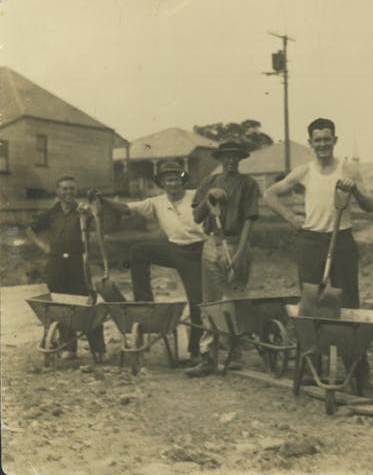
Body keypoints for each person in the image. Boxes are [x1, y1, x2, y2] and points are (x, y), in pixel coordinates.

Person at [263, 118, 373, 386]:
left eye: (327, 139)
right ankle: (312, 367)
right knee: (311, 303)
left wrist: (355, 191)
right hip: (311, 241)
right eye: (318, 140)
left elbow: (370, 205)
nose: (323, 144)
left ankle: (358, 371)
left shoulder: (349, 169)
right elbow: (269, 194)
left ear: (335, 140)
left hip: (343, 240)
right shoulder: (304, 171)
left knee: (348, 305)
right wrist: (292, 218)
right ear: (311, 143)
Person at [93, 161, 205, 364]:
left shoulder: (196, 195)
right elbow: (125, 208)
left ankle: (195, 351)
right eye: (168, 180)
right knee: (139, 251)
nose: (172, 184)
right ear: (162, 183)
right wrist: (101, 199)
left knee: (197, 300)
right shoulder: (157, 202)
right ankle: (144, 301)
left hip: (198, 252)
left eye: (176, 179)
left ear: (182, 181)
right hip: (175, 249)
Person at [186, 141, 260, 377]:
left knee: (234, 297)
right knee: (211, 300)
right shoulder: (209, 182)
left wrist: (239, 252)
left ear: (240, 159)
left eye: (234, 157)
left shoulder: (248, 184)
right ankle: (208, 355)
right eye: (226, 157)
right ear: (220, 159)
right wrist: (209, 200)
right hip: (212, 242)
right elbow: (197, 217)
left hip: (236, 241)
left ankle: (235, 352)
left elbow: (250, 219)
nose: (230, 161)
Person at [26, 176, 106, 361]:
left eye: (72, 189)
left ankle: (99, 349)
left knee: (88, 304)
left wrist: (91, 213)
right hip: (57, 264)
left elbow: (100, 225)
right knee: (61, 306)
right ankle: (69, 348)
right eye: (65, 189)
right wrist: (44, 246)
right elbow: (30, 230)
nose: (68, 192)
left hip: (79, 262)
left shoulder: (82, 211)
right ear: (58, 192)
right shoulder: (51, 213)